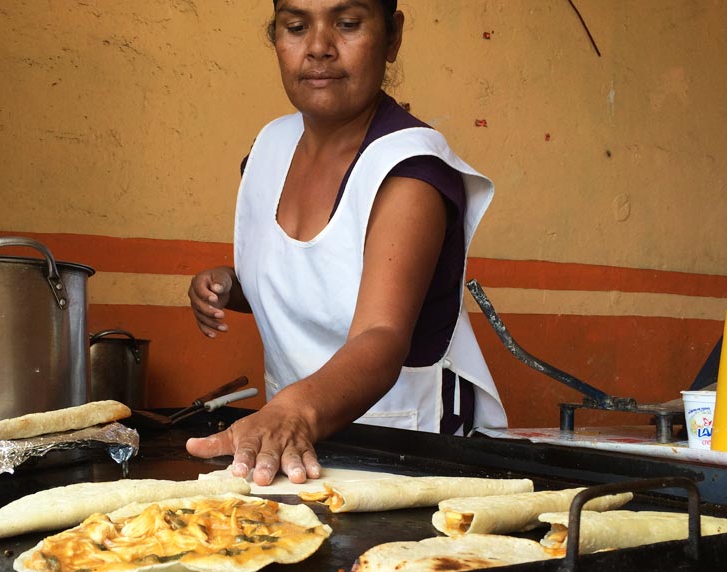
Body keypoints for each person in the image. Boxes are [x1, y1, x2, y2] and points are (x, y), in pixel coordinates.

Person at [186, 0, 506, 486]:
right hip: (294, 443)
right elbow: (318, 282)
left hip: (406, 449)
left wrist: (292, 410)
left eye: (348, 24)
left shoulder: (409, 170)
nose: (318, 48)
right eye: (296, 27)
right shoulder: (269, 150)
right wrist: (232, 286)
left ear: (392, 36)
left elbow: (380, 334)